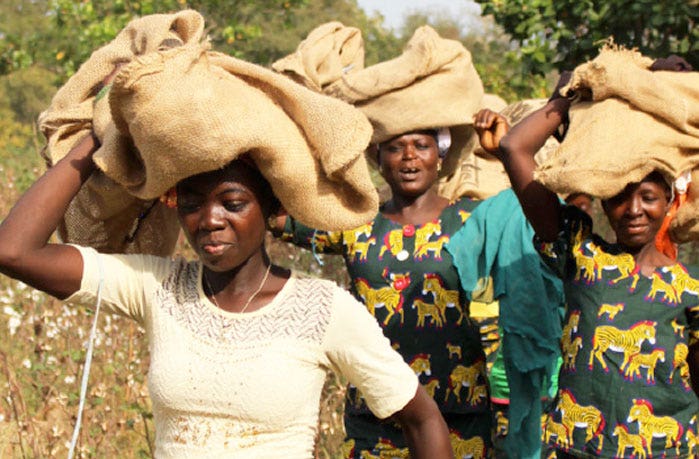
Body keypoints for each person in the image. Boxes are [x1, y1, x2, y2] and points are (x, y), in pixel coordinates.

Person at [0, 58, 454, 458]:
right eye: (193, 204)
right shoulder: (159, 287)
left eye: (232, 203)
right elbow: (14, 251)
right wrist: (100, 139)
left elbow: (422, 418)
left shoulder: (323, 310)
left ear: (273, 209)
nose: (209, 220)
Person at [474, 67, 699, 458]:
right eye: (618, 197)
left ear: (668, 199)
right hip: (578, 448)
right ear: (602, 201)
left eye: (648, 197)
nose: (633, 210)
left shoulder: (689, 291)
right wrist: (571, 100)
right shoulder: (582, 254)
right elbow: (514, 148)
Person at [273, 128, 492, 457]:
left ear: (440, 155)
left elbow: (531, 240)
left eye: (422, 146)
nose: (409, 157)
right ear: (378, 158)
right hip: (375, 414)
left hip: (458, 412)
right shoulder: (355, 222)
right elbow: (277, 220)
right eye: (394, 148)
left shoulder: (473, 221)